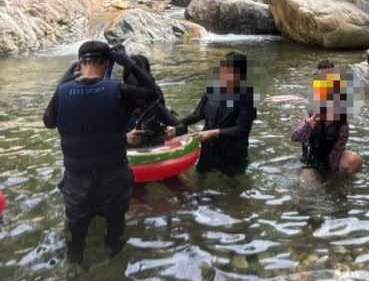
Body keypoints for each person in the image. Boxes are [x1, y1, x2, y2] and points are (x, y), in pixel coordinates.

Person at [43, 40, 160, 262]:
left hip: (77, 181)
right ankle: (114, 265)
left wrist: (62, 82)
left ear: (79, 64)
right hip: (113, 178)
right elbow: (153, 95)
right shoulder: (119, 92)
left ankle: (76, 269)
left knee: (76, 235)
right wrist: (129, 64)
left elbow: (48, 121)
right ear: (108, 64)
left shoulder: (63, 92)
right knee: (115, 230)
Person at [177, 51, 256, 175]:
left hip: (232, 155)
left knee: (233, 185)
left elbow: (241, 129)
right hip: (208, 150)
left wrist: (214, 133)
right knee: (200, 179)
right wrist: (175, 125)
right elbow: (197, 114)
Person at [291, 62, 363, 184]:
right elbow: (294, 137)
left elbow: (336, 154)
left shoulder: (342, 125)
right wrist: (307, 126)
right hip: (311, 162)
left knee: (354, 160)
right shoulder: (311, 117)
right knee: (309, 182)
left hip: (330, 161)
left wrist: (331, 179)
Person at [124, 54, 179, 147]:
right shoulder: (120, 95)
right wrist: (125, 138)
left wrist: (174, 130)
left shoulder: (155, 98)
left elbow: (173, 122)